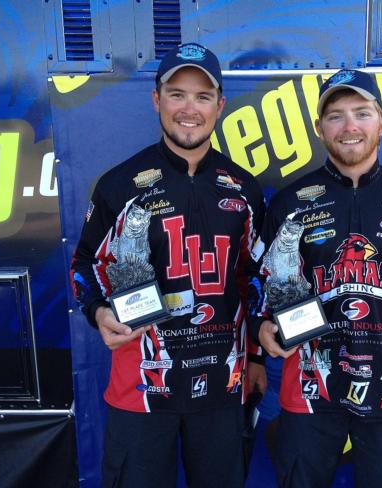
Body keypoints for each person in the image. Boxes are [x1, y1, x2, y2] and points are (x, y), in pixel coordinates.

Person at [70, 42, 267, 488]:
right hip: (141, 385)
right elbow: (85, 264)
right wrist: (99, 313)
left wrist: (255, 354)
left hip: (222, 384)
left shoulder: (244, 190)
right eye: (177, 94)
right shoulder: (119, 185)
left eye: (202, 97)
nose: (189, 109)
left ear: (219, 105)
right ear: (157, 99)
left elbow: (256, 279)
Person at [248, 69, 382, 488]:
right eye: (336, 116)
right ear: (320, 128)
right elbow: (259, 282)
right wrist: (259, 328)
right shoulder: (289, 203)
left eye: (361, 113)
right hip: (308, 389)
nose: (350, 127)